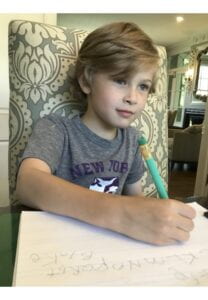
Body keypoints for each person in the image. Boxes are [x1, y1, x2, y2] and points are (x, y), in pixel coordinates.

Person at [16, 22, 196, 246]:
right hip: (58, 245)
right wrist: (120, 214)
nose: (133, 97)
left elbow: (135, 198)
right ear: (86, 80)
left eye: (143, 86)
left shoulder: (131, 140)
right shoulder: (56, 129)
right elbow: (28, 184)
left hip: (109, 249)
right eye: (121, 80)